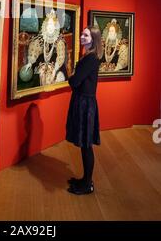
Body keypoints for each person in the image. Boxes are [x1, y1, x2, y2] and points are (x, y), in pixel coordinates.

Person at [65, 26, 103, 195]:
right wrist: (73, 77)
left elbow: (74, 82)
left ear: (93, 39)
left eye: (86, 35)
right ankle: (85, 179)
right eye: (82, 34)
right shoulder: (88, 57)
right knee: (84, 145)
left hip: (85, 105)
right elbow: (76, 81)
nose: (82, 37)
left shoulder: (91, 59)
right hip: (83, 102)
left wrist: (71, 75)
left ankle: (87, 184)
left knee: (86, 145)